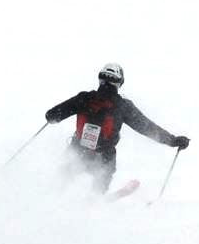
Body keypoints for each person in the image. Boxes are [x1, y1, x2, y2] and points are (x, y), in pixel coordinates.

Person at [45, 63, 190, 193]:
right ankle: (95, 201)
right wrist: (172, 140)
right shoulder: (122, 106)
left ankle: (52, 197)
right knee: (100, 182)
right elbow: (147, 127)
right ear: (120, 83)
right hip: (104, 155)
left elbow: (52, 115)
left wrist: (52, 117)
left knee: (63, 178)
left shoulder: (83, 98)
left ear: (100, 79)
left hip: (78, 150)